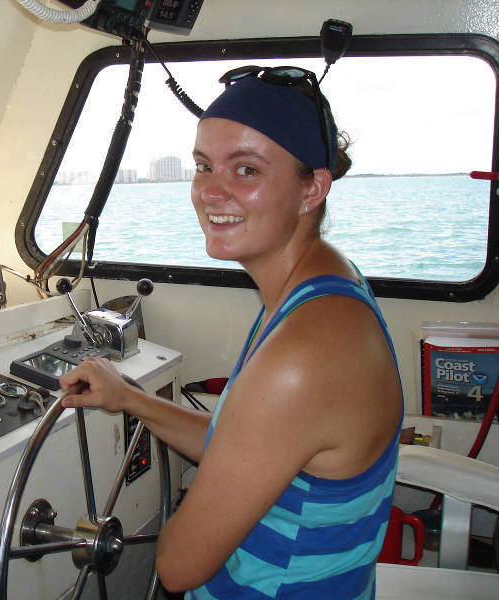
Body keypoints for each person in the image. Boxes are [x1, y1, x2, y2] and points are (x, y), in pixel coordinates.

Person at [60, 66, 404, 599]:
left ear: (312, 187)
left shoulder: (306, 351)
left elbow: (177, 566)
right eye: (203, 166)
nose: (210, 192)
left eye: (245, 170)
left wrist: (186, 506)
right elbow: (243, 446)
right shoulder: (321, 287)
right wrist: (128, 397)